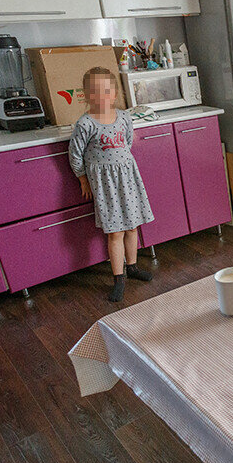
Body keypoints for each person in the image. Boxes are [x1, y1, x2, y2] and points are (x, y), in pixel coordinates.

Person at [69, 67, 154, 302]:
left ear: (114, 93)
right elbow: (75, 154)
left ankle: (133, 266)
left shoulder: (124, 117)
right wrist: (82, 178)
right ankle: (119, 277)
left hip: (128, 179)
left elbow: (127, 143)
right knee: (115, 232)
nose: (101, 96)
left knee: (132, 226)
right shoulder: (85, 123)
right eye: (94, 92)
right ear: (85, 95)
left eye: (106, 91)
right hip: (106, 186)